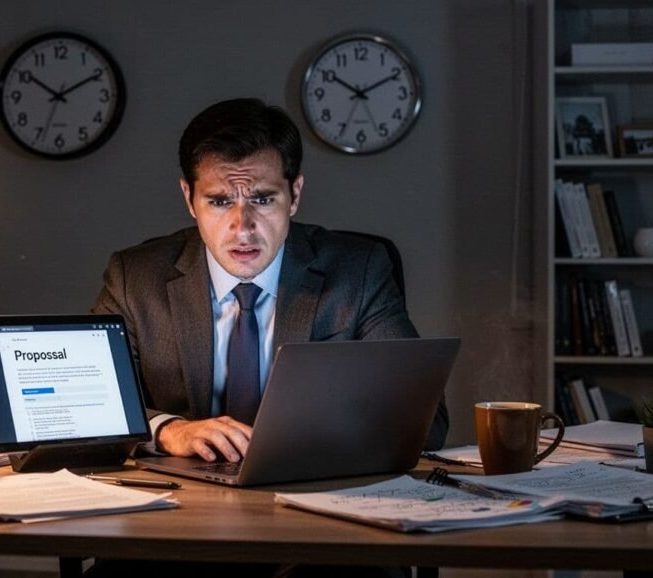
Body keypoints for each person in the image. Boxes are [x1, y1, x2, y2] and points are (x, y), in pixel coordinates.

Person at [93, 97, 447, 464]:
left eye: (262, 200)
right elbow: (93, 409)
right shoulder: (135, 278)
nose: (242, 228)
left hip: (314, 485)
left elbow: (427, 422)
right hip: (183, 490)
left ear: (294, 195)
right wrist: (169, 430)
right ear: (189, 198)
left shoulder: (358, 271)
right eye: (219, 202)